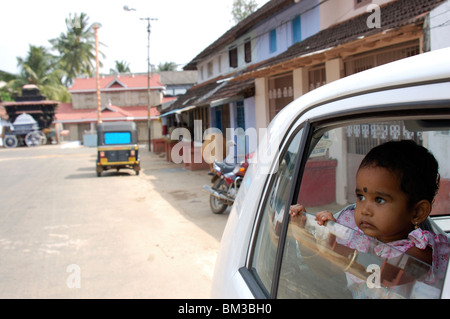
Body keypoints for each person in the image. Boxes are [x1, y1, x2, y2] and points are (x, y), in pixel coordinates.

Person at [290, 140, 449, 288]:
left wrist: (333, 246)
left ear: (417, 212)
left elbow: (384, 275)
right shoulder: (359, 239)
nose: (365, 209)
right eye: (361, 197)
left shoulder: (423, 251)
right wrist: (305, 235)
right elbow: (326, 270)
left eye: (379, 200)